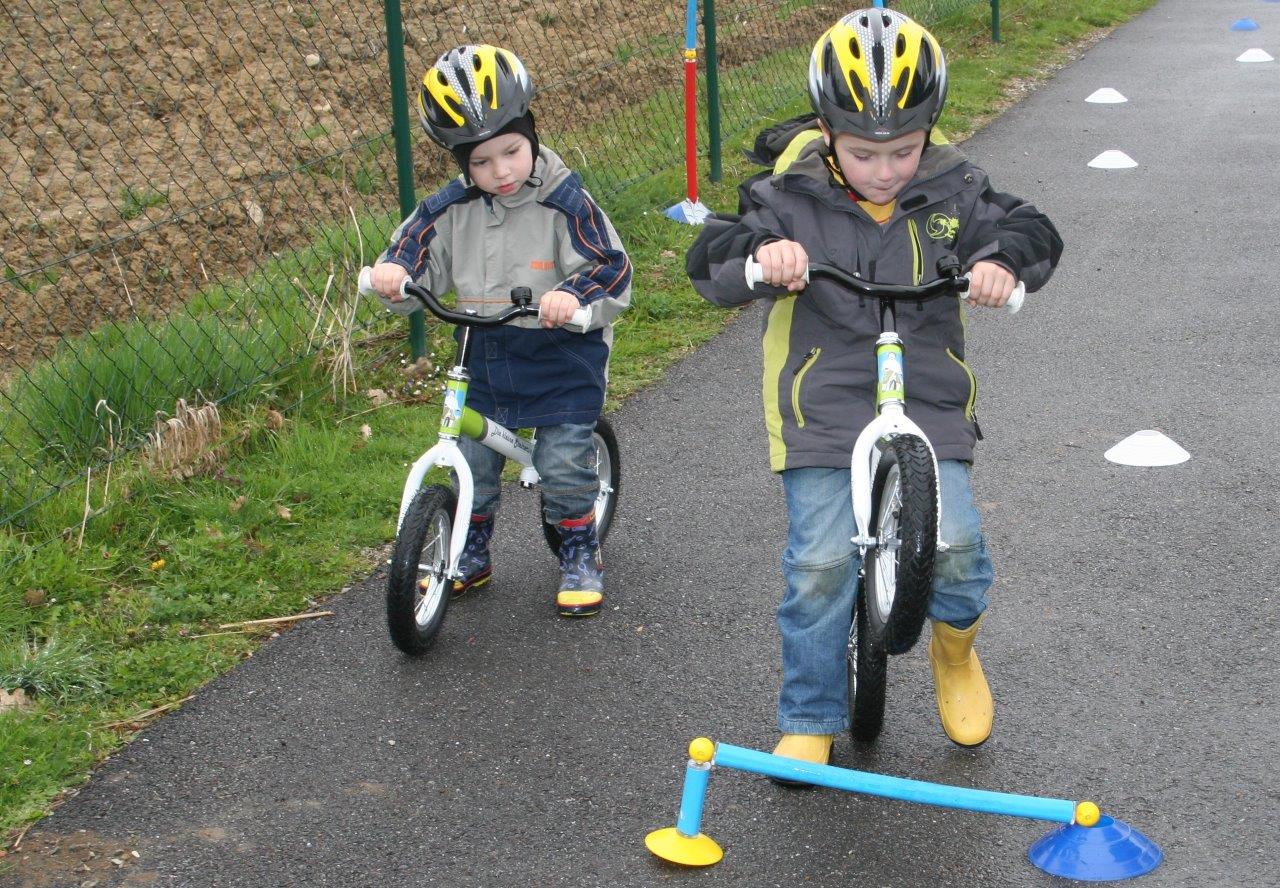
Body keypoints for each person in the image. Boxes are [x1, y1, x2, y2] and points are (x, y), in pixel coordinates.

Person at [686, 8, 1062, 763]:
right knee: (821, 565)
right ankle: (810, 715)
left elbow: (1031, 228)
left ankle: (953, 653)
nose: (885, 170)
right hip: (822, 404)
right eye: (863, 153)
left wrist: (1002, 263)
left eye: (903, 151)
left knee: (955, 543)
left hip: (924, 396)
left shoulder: (955, 190)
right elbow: (714, 256)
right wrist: (766, 259)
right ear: (827, 134)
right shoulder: (785, 196)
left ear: (929, 133)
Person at [365, 45, 631, 617]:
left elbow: (609, 267)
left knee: (561, 464)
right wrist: (396, 275)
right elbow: (412, 251)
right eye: (481, 162)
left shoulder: (566, 203)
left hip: (562, 350)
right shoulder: (451, 208)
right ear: (461, 163)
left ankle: (579, 548)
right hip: (483, 350)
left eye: (511, 151)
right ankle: (471, 549)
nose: (500, 172)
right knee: (474, 459)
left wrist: (571, 296)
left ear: (531, 132)